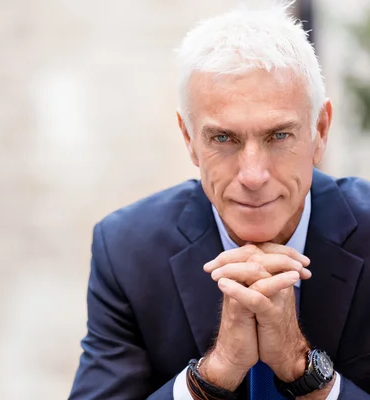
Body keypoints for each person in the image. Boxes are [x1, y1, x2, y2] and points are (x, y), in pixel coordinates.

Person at [69, 2, 370, 399]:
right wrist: (214, 373)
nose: (252, 176)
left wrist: (304, 371)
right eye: (223, 138)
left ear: (320, 130)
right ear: (189, 140)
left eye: (279, 136)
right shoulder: (128, 250)